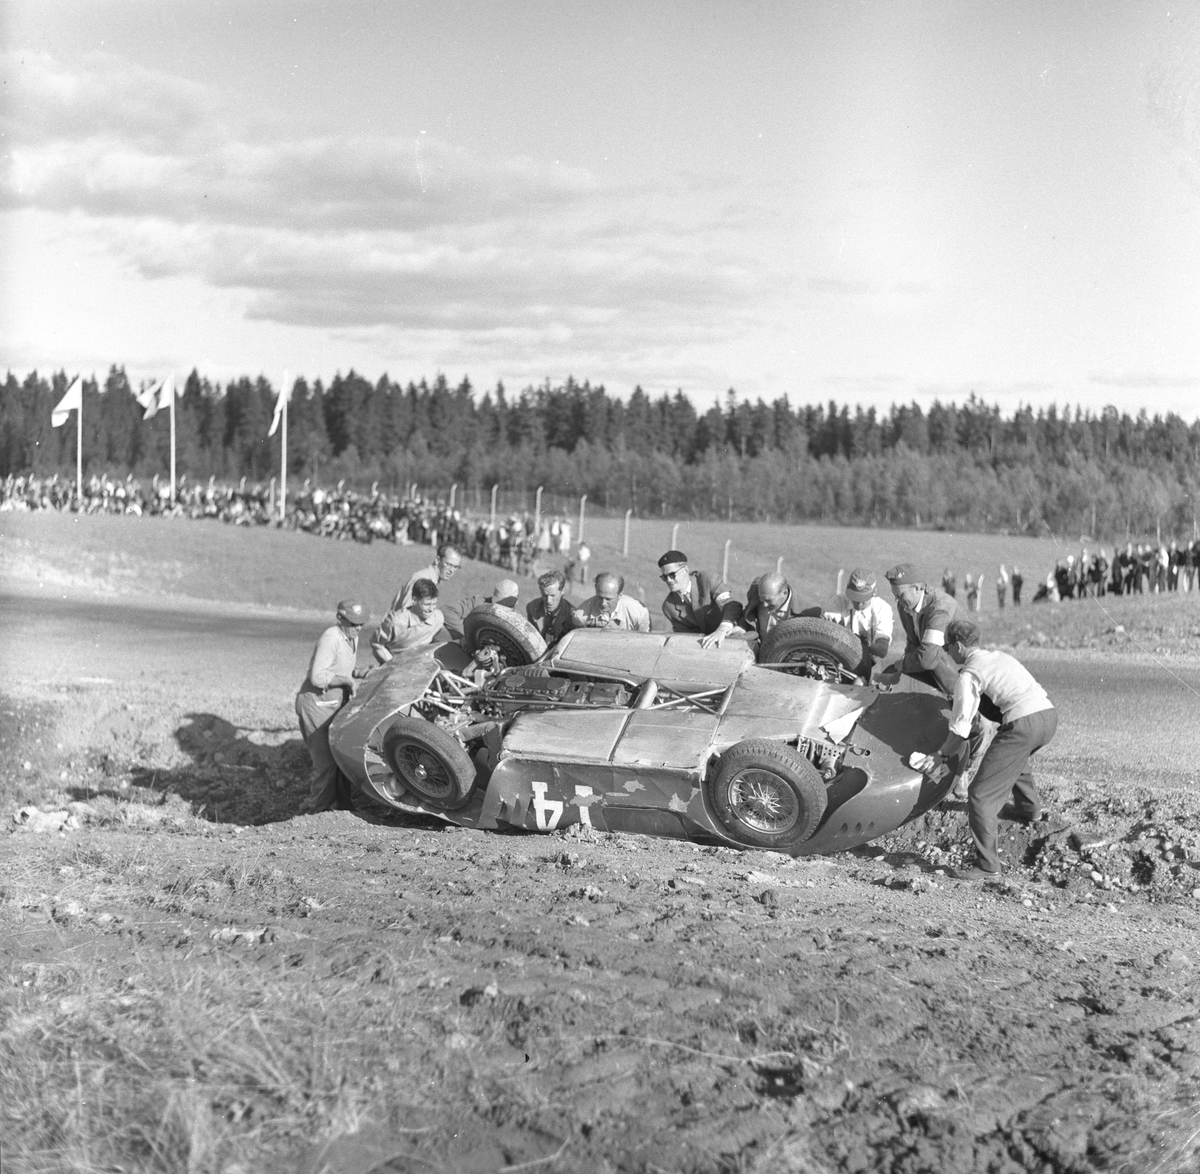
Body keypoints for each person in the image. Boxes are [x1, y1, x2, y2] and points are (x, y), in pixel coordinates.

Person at [918, 619, 1058, 879]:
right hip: (1048, 717)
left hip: (1023, 724)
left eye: (948, 647)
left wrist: (941, 755)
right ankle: (1030, 809)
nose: (948, 653)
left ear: (959, 645)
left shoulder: (969, 674)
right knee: (1012, 759)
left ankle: (987, 866)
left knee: (980, 795)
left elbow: (960, 728)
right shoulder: (997, 657)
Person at [296, 600, 371, 814]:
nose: (358, 628)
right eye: (354, 623)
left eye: (361, 624)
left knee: (339, 758)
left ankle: (342, 807)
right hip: (316, 704)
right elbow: (318, 676)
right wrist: (346, 681)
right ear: (340, 619)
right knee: (326, 763)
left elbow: (341, 666)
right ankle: (317, 811)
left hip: (333, 704)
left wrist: (358, 672)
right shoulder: (331, 637)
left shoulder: (350, 637)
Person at [876, 564, 964, 697]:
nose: (897, 600)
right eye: (894, 595)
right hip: (933, 663)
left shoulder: (939, 609)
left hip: (958, 669)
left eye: (900, 594)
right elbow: (912, 643)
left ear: (917, 588)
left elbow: (927, 658)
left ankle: (965, 707)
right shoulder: (905, 604)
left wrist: (904, 664)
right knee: (889, 675)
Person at [657, 549, 743, 649]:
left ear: (685, 570)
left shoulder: (708, 580)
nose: (669, 580)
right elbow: (685, 637)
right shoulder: (669, 606)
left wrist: (722, 630)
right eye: (664, 577)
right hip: (707, 647)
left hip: (735, 636)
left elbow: (731, 606)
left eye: (672, 575)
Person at [821, 568, 893, 676]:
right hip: (837, 657)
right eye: (855, 598)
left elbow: (882, 651)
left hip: (870, 662)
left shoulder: (882, 609)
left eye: (863, 600)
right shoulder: (837, 602)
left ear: (874, 592)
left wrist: (867, 645)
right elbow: (823, 633)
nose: (859, 605)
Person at [372, 578, 445, 663]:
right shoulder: (396, 621)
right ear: (414, 601)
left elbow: (434, 642)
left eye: (434, 604)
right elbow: (377, 644)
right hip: (395, 662)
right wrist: (393, 666)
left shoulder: (438, 617)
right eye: (427, 604)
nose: (431, 609)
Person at [389, 542, 462, 612]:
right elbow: (405, 612)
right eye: (448, 564)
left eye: (456, 567)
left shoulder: (432, 580)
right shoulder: (422, 579)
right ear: (437, 560)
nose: (452, 570)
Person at [572, 572, 652, 631]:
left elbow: (645, 643)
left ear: (620, 594)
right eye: (599, 597)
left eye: (608, 599)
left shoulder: (638, 613)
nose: (603, 603)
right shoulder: (580, 616)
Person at [742, 571, 806, 643]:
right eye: (761, 599)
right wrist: (742, 626)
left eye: (769, 601)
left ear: (784, 593)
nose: (764, 605)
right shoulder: (757, 589)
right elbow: (749, 611)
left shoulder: (806, 612)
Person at [526, 569, 574, 646]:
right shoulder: (532, 607)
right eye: (545, 596)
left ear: (563, 591)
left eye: (552, 595)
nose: (549, 601)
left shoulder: (572, 616)